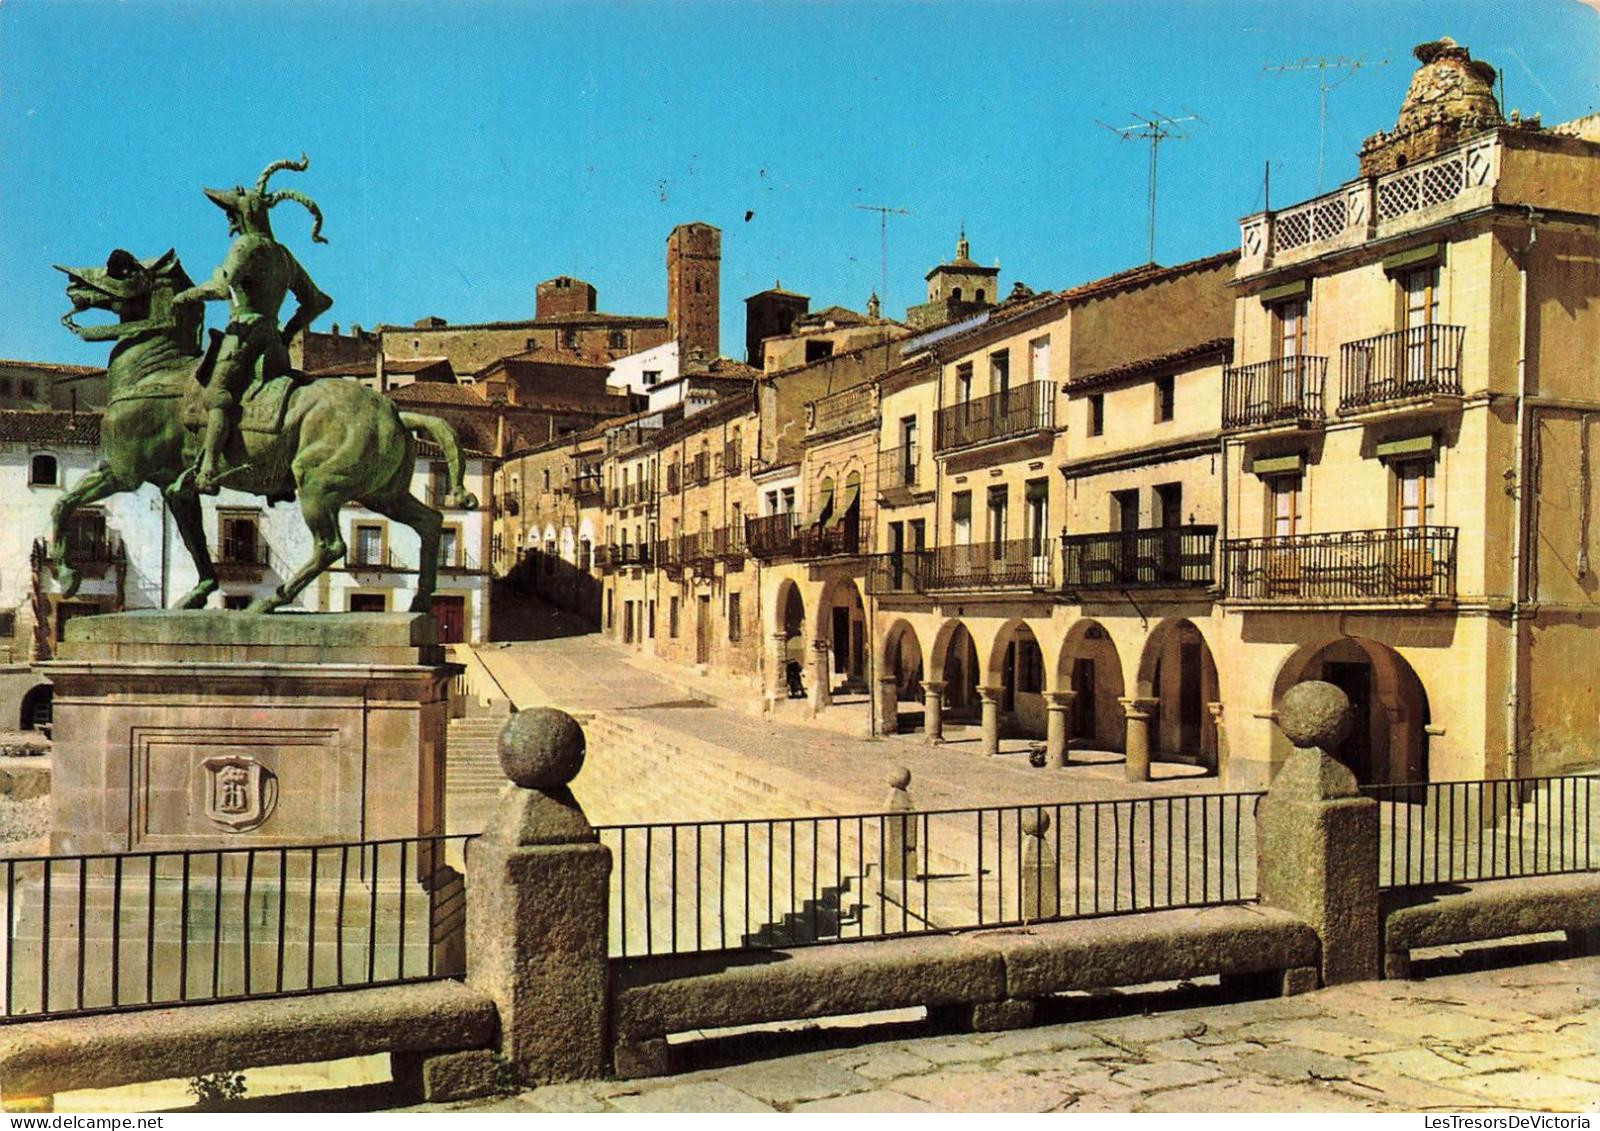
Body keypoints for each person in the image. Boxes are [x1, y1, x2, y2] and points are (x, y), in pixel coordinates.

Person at [170, 155, 331, 495]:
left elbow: (218, 287)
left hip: (242, 334)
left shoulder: (245, 245)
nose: (230, 222)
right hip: (271, 339)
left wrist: (184, 297)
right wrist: (286, 333)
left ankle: (209, 468)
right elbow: (318, 301)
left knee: (218, 395)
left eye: (231, 215)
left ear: (240, 215)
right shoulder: (284, 254)